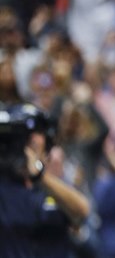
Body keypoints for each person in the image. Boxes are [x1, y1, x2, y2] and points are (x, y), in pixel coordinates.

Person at [0, 103, 91, 257]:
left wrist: (39, 175)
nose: (28, 141)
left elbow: (82, 212)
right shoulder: (3, 188)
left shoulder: (55, 187)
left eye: (35, 133)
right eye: (21, 136)